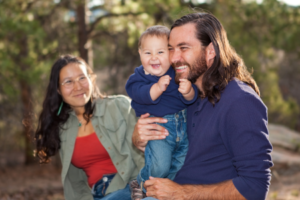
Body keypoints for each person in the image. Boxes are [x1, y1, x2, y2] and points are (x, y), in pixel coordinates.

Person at [132, 13, 274, 200]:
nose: (174, 58)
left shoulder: (240, 101)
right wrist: (140, 139)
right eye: (170, 49)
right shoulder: (183, 95)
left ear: (210, 51)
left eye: (183, 48)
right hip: (158, 190)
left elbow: (255, 187)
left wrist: (181, 193)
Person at [35, 55, 144, 200]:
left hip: (131, 188)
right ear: (58, 90)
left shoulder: (119, 106)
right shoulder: (63, 129)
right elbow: (76, 182)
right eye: (68, 82)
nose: (78, 87)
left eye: (82, 78)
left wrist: (147, 186)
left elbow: (145, 153)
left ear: (91, 79)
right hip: (97, 194)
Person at [125, 25, 198, 199]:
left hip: (183, 127)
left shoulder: (177, 73)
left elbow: (191, 99)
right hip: (159, 129)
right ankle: (141, 182)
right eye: (148, 53)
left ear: (171, 54)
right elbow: (141, 94)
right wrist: (157, 88)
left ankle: (160, 191)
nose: (154, 58)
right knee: (161, 166)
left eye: (160, 52)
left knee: (180, 164)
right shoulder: (139, 78)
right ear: (140, 53)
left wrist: (188, 91)